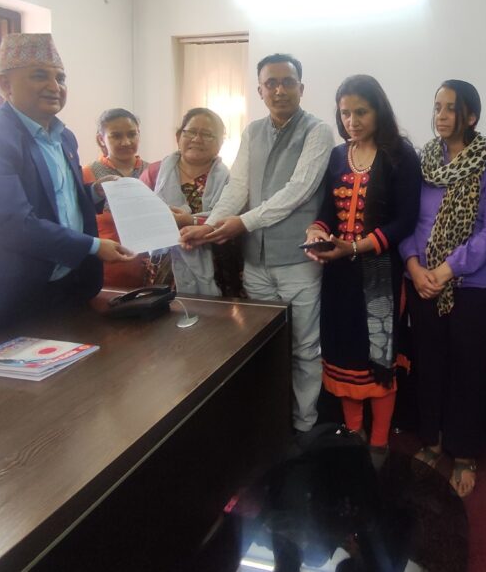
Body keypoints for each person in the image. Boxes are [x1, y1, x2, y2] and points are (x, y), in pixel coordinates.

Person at [0, 33, 135, 352]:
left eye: (60, 78)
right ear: (5, 84)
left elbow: (55, 202)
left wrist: (96, 192)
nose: (54, 86)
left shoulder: (64, 137)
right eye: (39, 76)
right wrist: (94, 246)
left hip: (49, 296)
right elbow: (10, 222)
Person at [179, 54, 334, 433]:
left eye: (288, 82)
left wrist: (241, 223)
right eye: (271, 83)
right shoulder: (252, 131)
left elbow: (298, 191)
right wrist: (209, 226)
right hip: (256, 261)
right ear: (260, 90)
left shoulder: (318, 131)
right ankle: (272, 421)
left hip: (297, 261)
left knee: (303, 347)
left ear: (301, 88)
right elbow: (238, 187)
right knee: (264, 343)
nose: (280, 90)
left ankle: (304, 425)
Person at [398, 80, 486, 497]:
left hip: (472, 285)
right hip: (421, 281)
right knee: (428, 365)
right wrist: (414, 265)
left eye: (451, 108)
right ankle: (431, 440)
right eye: (437, 107)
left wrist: (445, 270)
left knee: (467, 370)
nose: (441, 116)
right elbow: (409, 219)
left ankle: (464, 451)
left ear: (471, 116)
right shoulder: (424, 158)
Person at [304, 75, 421, 463]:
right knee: (343, 356)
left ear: (379, 111)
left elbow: (405, 221)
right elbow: (326, 210)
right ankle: (355, 433)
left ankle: (379, 442)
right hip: (338, 275)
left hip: (380, 274)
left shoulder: (400, 155)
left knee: (378, 357)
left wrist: (355, 246)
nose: (351, 121)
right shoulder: (338, 156)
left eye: (361, 112)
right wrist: (316, 231)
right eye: (345, 113)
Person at [140, 108, 240, 296]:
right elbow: (139, 216)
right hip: (162, 268)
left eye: (207, 134)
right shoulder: (154, 173)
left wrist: (192, 221)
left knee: (210, 315)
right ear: (179, 136)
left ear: (220, 143)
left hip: (215, 267)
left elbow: (233, 222)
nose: (197, 139)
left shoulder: (232, 180)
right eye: (191, 132)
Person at [82, 108, 149, 287]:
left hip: (150, 272)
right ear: (101, 139)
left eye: (132, 134)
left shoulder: (154, 172)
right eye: (116, 136)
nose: (126, 142)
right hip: (105, 272)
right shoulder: (87, 175)